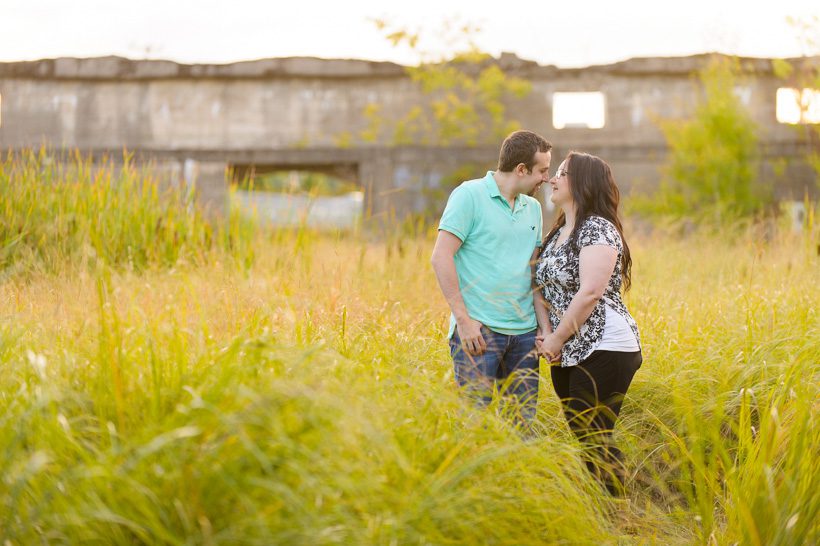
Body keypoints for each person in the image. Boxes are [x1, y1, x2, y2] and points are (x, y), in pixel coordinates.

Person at [535, 151, 641, 495]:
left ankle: (618, 511)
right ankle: (603, 507)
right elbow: (539, 287)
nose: (553, 179)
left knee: (594, 435)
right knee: (585, 436)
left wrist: (556, 338)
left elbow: (591, 291)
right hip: (566, 347)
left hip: (606, 345)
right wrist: (548, 334)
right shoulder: (556, 233)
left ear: (582, 183)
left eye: (562, 173)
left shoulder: (598, 228)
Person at [431, 130, 552, 427]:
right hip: (479, 334)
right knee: (475, 428)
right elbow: (441, 257)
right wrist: (464, 321)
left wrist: (544, 327)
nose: (546, 178)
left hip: (525, 337)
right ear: (521, 169)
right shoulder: (469, 195)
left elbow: (533, 273)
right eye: (542, 170)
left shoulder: (533, 209)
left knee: (522, 428)